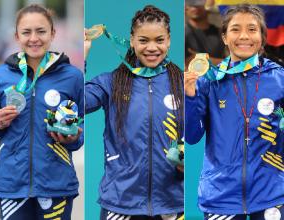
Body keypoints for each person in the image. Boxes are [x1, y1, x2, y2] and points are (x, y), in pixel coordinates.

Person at [0, 4, 84, 220]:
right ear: (16, 36)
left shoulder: (73, 77)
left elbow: (81, 130)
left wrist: (74, 136)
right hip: (12, 184)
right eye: (26, 32)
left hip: (56, 184)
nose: (34, 38)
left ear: (53, 33)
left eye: (41, 31)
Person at [85, 5, 184, 220]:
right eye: (143, 40)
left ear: (169, 40)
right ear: (131, 40)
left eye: (159, 40)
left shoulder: (182, 83)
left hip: (172, 203)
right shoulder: (111, 82)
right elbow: (75, 104)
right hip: (121, 202)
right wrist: (81, 59)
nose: (152, 48)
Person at [185, 4, 284, 219]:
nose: (244, 36)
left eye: (252, 29)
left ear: (262, 37)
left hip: (271, 194)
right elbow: (192, 136)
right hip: (221, 196)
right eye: (236, 29)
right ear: (224, 37)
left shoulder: (279, 79)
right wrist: (190, 97)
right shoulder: (209, 81)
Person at [185, 0, 226, 67]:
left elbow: (235, 62)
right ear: (185, 8)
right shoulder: (180, 35)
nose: (195, 7)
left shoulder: (221, 33)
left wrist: (201, 59)